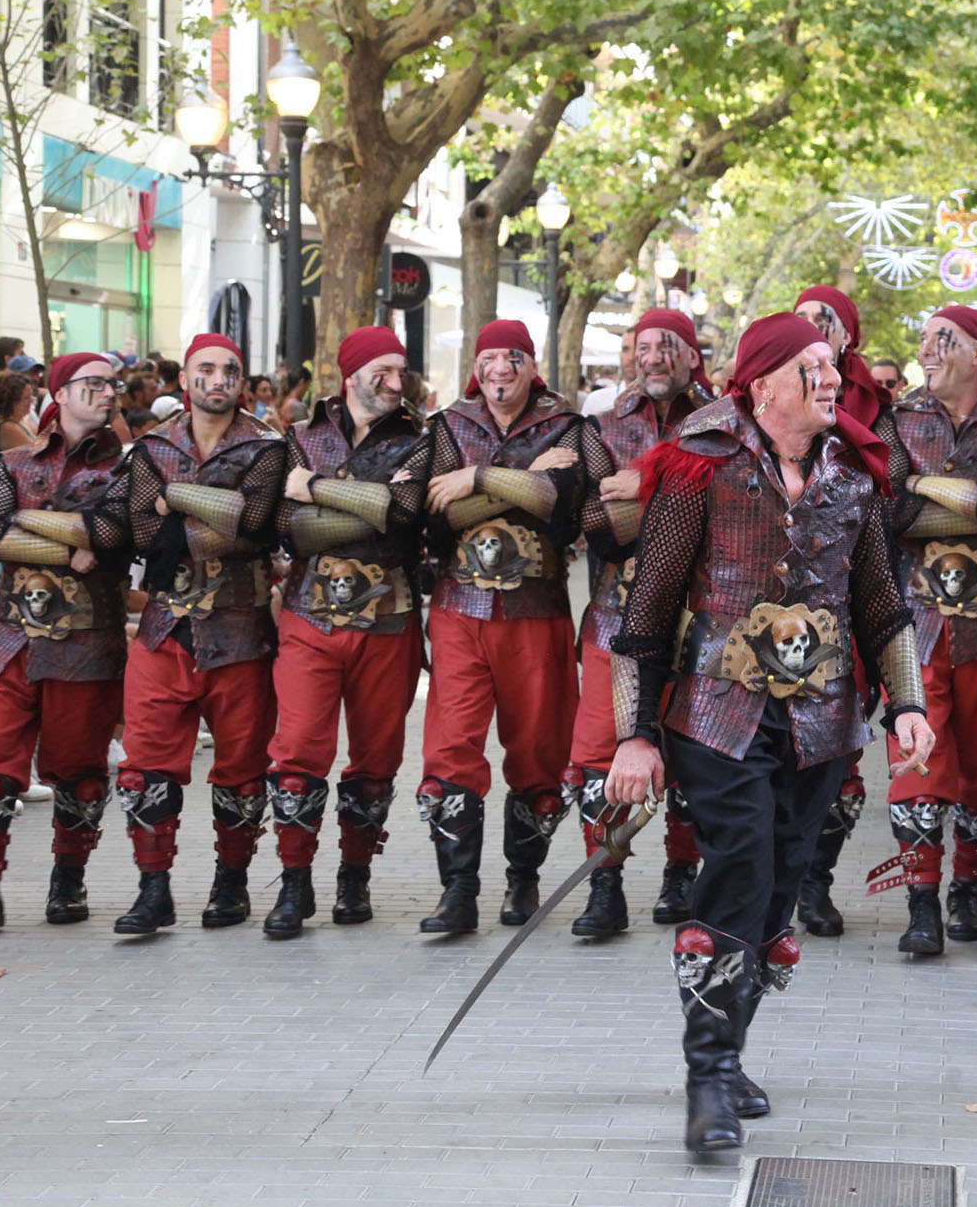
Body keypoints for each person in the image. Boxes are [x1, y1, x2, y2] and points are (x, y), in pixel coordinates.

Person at [602, 311, 934, 1154]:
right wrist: (633, 735)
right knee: (741, 865)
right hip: (716, 715)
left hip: (820, 722)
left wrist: (908, 704)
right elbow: (647, 611)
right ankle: (707, 1077)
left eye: (834, 366)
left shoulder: (853, 473)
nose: (832, 378)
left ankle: (732, 1046)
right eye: (814, 367)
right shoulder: (699, 465)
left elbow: (883, 606)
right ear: (764, 383)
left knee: (780, 889)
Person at [866, 305, 977, 956]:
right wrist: (962, 500)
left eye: (943, 339)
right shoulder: (900, 417)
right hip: (914, 623)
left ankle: (967, 885)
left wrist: (923, 487)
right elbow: (889, 508)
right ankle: (921, 902)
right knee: (916, 760)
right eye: (924, 339)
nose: (928, 349)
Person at [0, 352, 133, 932]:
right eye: (91, 384)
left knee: (79, 771)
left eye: (111, 385)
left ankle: (68, 882)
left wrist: (25, 520)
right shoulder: (14, 460)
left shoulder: (128, 469)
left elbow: (114, 535)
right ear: (59, 392)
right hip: (8, 640)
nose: (105, 393)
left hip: (87, 644)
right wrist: (70, 543)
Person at [414, 319, 601, 937]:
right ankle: (458, 891)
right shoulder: (447, 425)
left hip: (536, 609)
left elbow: (562, 505)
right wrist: (524, 478)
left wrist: (477, 478)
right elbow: (434, 516)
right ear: (477, 364)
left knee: (539, 750)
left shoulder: (567, 425)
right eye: (491, 357)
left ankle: (524, 878)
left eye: (514, 357)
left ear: (531, 364)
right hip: (458, 609)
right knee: (450, 746)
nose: (502, 368)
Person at [114, 333, 287, 935]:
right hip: (165, 630)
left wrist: (173, 506)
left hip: (241, 631)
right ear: (184, 380)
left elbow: (255, 526)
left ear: (242, 382)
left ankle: (232, 885)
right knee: (147, 766)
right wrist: (209, 512)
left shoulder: (266, 447)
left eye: (229, 370)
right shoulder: (152, 444)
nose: (218, 379)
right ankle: (152, 888)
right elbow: (137, 532)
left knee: (242, 769)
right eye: (205, 369)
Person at [259, 327, 429, 938]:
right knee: (298, 749)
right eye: (381, 371)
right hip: (307, 615)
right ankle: (293, 882)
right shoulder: (302, 437)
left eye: (400, 372)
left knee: (376, 757)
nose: (394, 382)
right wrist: (366, 504)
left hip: (390, 619)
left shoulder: (421, 442)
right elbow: (284, 524)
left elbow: (403, 519)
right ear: (350, 374)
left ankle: (354, 877)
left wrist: (320, 494)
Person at [558, 309, 716, 937]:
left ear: (690, 353)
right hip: (615, 616)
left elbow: (726, 511)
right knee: (601, 756)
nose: (652, 358)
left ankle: (683, 877)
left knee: (694, 754)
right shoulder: (601, 425)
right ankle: (604, 883)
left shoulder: (721, 424)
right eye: (642, 347)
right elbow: (595, 522)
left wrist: (643, 486)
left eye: (666, 346)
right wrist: (681, 499)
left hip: (700, 622)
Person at [786, 285, 893, 935]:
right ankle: (761, 875)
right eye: (796, 322)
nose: (808, 332)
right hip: (761, 602)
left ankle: (814, 881)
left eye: (821, 324)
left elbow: (894, 505)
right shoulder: (756, 396)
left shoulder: (882, 413)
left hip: (848, 602)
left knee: (838, 753)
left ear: (846, 337)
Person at [0, 371, 36, 455]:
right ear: (11, 402)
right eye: (26, 398)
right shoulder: (8, 427)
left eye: (31, 395)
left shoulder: (21, 420)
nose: (32, 400)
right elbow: (38, 456)